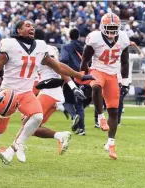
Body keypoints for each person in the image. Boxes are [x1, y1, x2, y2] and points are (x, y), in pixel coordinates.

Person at [0, 20, 93, 183]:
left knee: (37, 117)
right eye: (28, 26)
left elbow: (58, 67)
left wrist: (79, 76)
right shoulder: (9, 45)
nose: (32, 27)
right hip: (8, 93)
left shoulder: (40, 46)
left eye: (33, 26)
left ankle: (19, 144)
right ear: (19, 30)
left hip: (26, 93)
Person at [24, 28, 87, 155]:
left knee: (27, 124)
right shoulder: (44, 49)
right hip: (51, 91)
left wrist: (73, 86)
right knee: (32, 128)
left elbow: (59, 68)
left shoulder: (44, 50)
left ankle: (11, 151)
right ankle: (60, 136)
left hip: (49, 91)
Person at [79, 13, 130, 159]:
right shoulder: (94, 38)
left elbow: (125, 62)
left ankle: (111, 143)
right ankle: (100, 117)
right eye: (110, 28)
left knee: (114, 111)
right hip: (98, 69)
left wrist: (125, 82)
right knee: (96, 87)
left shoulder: (124, 38)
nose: (112, 31)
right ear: (102, 27)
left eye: (115, 28)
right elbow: (85, 60)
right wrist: (82, 77)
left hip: (113, 74)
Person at [60, 28, 86, 135]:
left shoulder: (66, 46)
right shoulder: (84, 47)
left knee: (65, 100)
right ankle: (82, 129)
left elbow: (64, 59)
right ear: (78, 36)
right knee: (79, 103)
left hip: (71, 76)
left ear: (69, 36)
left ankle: (74, 116)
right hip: (83, 76)